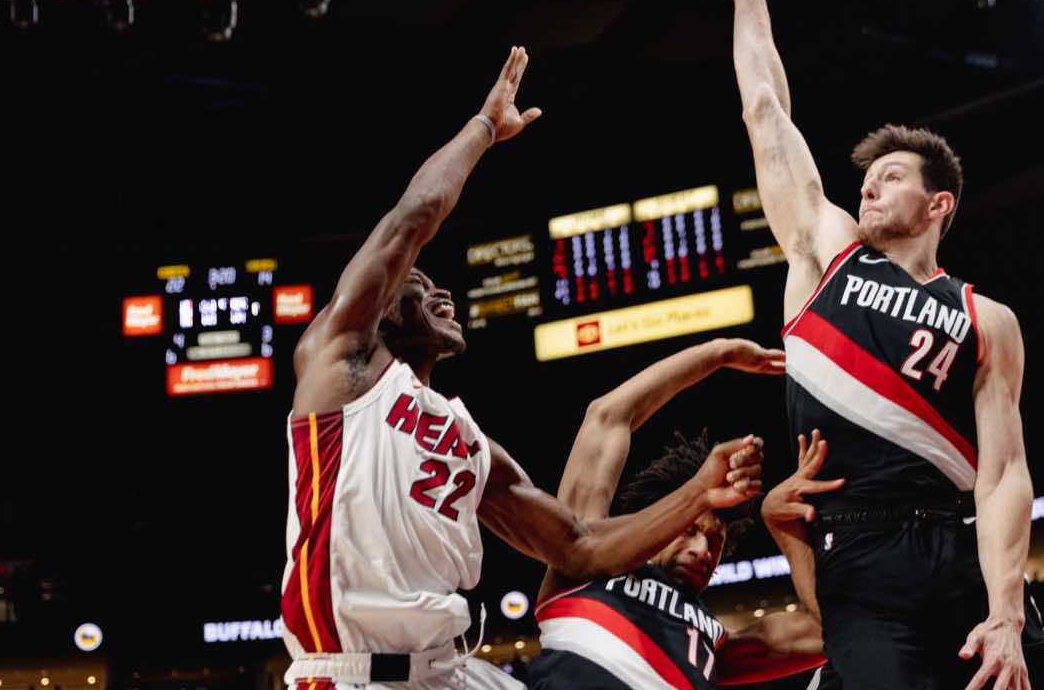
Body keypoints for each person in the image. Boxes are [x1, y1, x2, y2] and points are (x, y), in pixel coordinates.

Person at [282, 48, 766, 690]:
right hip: (351, 673)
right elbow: (410, 223)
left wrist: (700, 493)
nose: (443, 294)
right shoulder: (341, 372)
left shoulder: (469, 443)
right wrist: (483, 128)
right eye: (421, 288)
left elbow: (578, 548)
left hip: (449, 671)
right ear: (380, 314)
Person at [718, 0, 1044, 690]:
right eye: (868, 177)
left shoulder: (986, 318)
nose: (870, 184)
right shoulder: (826, 254)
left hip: (956, 541)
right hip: (859, 556)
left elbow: (1005, 474)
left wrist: (1006, 611)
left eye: (893, 176)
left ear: (939, 203)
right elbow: (767, 114)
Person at [528, 337, 827, 688]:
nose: (703, 551)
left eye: (716, 541)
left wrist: (785, 530)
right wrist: (720, 353)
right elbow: (608, 417)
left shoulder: (716, 644)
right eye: (690, 531)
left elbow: (834, 628)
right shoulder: (585, 561)